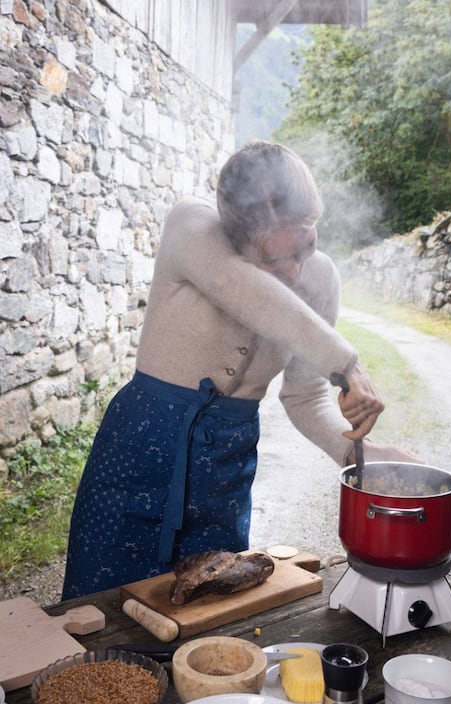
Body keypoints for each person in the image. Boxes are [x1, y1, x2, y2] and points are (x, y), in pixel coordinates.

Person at [62, 141, 412, 599]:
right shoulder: (191, 226)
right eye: (271, 259)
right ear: (233, 235)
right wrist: (346, 363)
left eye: (305, 244)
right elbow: (249, 292)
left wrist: (356, 454)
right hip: (142, 444)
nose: (292, 269)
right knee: (99, 610)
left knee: (211, 610)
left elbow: (305, 395)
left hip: (225, 466)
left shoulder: (322, 279)